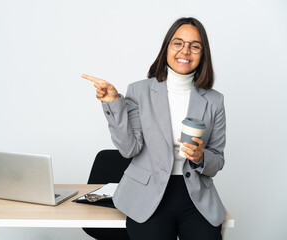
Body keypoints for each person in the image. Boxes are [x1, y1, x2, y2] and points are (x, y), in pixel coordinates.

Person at [82, 17, 226, 240]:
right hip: (148, 196)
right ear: (166, 47)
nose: (185, 51)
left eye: (194, 46)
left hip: (195, 196)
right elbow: (129, 149)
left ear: (202, 54)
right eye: (178, 43)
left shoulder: (214, 101)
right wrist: (113, 104)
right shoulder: (139, 91)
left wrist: (201, 157)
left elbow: (217, 159)